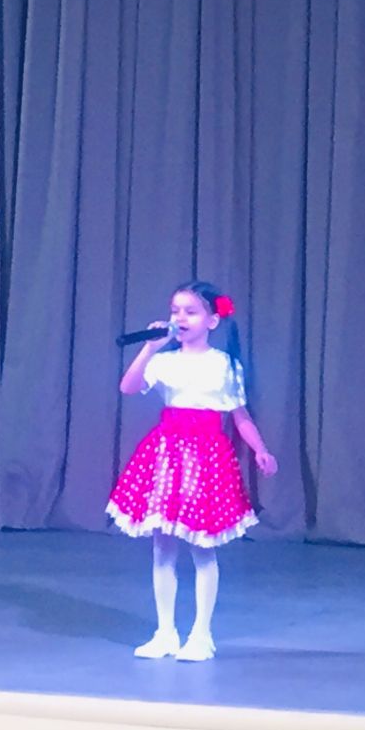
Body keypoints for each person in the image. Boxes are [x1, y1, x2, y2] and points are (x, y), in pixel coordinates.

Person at [108, 280, 277, 661]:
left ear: (212, 321)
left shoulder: (224, 365)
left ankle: (201, 634)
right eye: (175, 311)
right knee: (163, 546)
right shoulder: (163, 361)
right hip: (167, 454)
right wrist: (149, 348)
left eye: (191, 311)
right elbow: (129, 387)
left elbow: (240, 415)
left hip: (206, 457)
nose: (180, 318)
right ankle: (165, 632)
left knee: (202, 547)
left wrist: (261, 450)